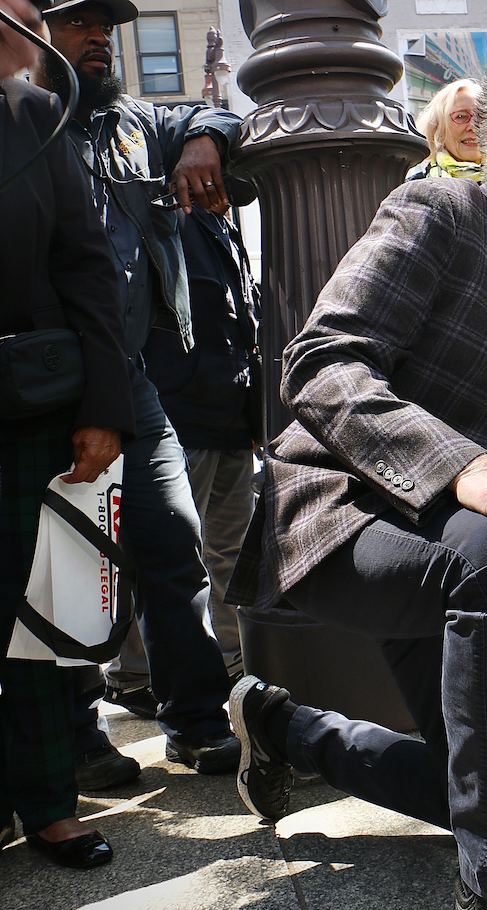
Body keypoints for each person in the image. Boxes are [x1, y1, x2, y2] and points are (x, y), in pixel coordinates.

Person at [225, 32, 487, 910]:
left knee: (476, 789)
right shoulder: (441, 214)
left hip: (465, 549)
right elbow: (320, 362)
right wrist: (468, 469)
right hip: (347, 520)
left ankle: (282, 726)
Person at [34, 0, 242, 780]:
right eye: (78, 21)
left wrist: (201, 141)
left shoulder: (135, 126)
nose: (98, 36)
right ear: (34, 30)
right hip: (50, 379)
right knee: (66, 566)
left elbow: (213, 114)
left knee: (173, 546)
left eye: (105, 23)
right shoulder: (25, 123)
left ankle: (192, 720)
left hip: (133, 379)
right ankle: (78, 738)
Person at [1, 73, 135, 867]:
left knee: (37, 618)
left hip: (30, 407)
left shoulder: (32, 112)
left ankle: (51, 805)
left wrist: (104, 406)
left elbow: (87, 266)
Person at [142, 199, 261, 683]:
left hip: (229, 417)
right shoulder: (169, 214)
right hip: (183, 417)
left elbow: (241, 318)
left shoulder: (222, 224)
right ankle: (138, 675)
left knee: (230, 553)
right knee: (176, 558)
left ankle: (235, 662)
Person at [407, 78, 484, 182]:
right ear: (438, 128)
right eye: (461, 116)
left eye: (481, 116)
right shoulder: (414, 189)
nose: (473, 126)